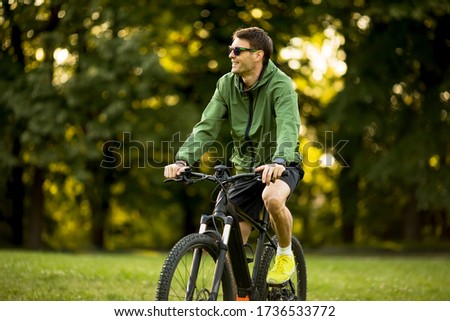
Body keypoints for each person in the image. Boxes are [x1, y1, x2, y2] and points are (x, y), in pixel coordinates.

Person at [164, 27, 304, 285]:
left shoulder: (280, 84)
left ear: (258, 54)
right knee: (229, 246)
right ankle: (240, 299)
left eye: (237, 50)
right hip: (244, 170)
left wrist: (280, 160)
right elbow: (207, 127)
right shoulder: (226, 84)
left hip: (281, 164)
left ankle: (285, 253)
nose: (231, 55)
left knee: (271, 198)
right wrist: (183, 159)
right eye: (231, 49)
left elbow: (288, 125)